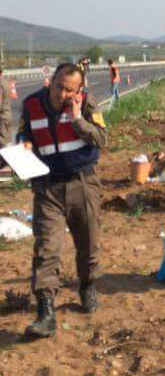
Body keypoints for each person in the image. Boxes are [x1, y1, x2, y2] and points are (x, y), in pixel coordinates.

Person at [16, 63, 107, 339]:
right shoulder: (32, 104)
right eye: (59, 87)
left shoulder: (87, 103)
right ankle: (46, 311)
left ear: (79, 90)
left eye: (69, 90)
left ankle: (87, 286)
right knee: (47, 249)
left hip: (82, 183)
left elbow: (101, 139)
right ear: (50, 82)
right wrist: (24, 143)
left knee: (89, 244)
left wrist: (78, 118)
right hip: (47, 187)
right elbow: (24, 134)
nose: (62, 94)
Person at [0, 68, 11, 173]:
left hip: (2, 117)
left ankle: (7, 163)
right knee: (5, 140)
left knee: (3, 141)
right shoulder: (5, 82)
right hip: (6, 116)